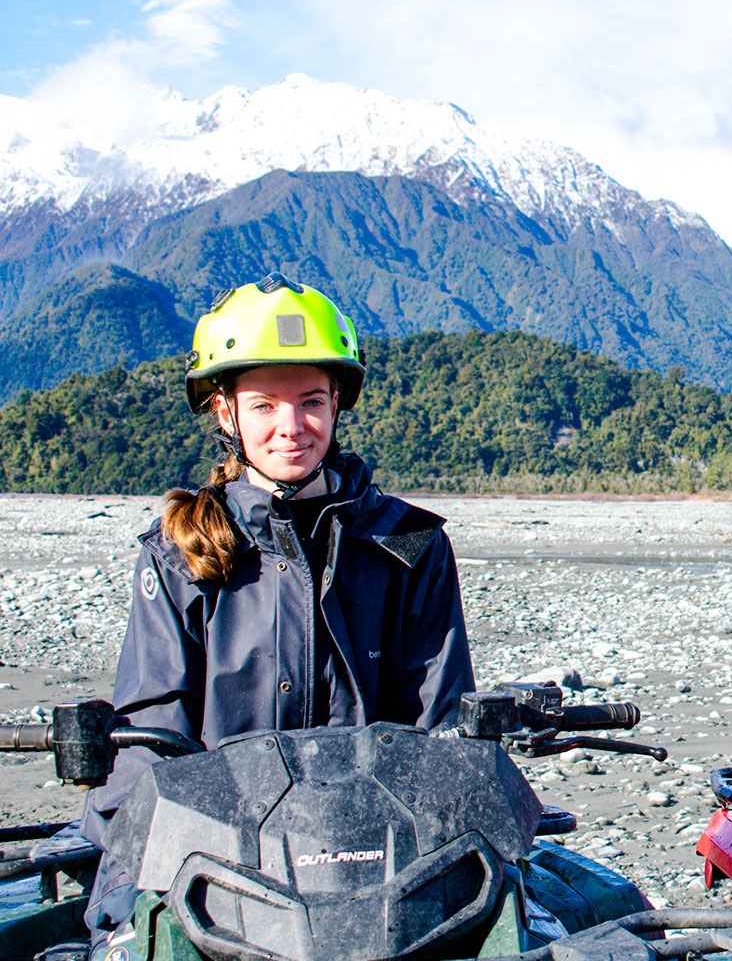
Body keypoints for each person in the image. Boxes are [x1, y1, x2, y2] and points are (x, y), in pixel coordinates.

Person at [78, 272, 476, 946]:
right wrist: (124, 905)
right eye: (264, 405)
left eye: (311, 401)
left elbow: (444, 729)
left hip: (383, 869)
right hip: (216, 869)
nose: (291, 428)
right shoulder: (183, 553)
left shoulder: (410, 545)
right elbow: (146, 741)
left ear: (339, 404)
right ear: (225, 411)